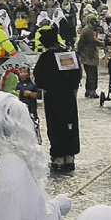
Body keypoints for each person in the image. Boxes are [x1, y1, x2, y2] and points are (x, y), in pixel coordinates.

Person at [34, 27, 82, 174]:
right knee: (70, 125)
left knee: (55, 126)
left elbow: (39, 78)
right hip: (69, 96)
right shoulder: (69, 54)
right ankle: (70, 156)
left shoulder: (47, 57)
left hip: (53, 97)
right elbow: (77, 75)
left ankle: (58, 157)